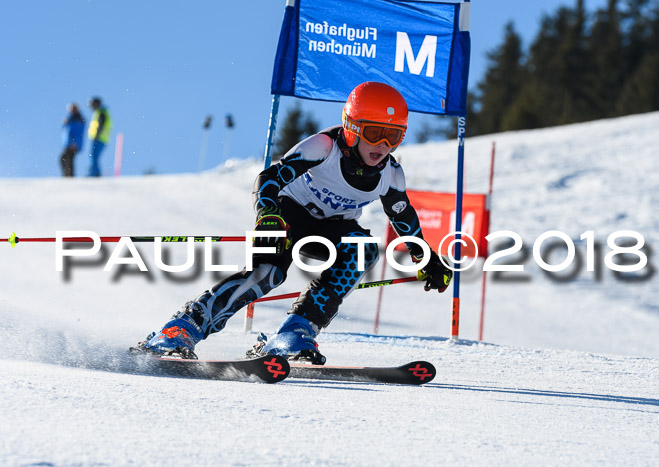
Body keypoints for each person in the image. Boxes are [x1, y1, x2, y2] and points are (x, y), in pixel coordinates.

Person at [132, 82, 453, 364]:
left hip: (331, 229)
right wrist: (268, 216)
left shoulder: (391, 174)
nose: (382, 146)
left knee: (363, 249)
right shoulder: (323, 148)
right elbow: (269, 179)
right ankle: (182, 328)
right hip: (289, 215)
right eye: (374, 133)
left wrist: (423, 255)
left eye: (393, 137)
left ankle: (296, 331)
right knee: (266, 275)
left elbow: (402, 216)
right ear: (352, 127)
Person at [86, 96, 111, 177]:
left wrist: (97, 135)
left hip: (98, 138)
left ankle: (93, 174)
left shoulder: (101, 112)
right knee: (94, 156)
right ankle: (96, 173)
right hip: (101, 138)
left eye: (92, 105)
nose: (91, 107)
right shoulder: (101, 112)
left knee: (93, 156)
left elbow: (101, 124)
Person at [59, 103, 85, 177]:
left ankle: (70, 176)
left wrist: (74, 142)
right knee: (64, 158)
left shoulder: (78, 119)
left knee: (67, 158)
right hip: (68, 143)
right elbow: (66, 132)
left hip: (73, 144)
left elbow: (78, 132)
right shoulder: (70, 118)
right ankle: (67, 175)